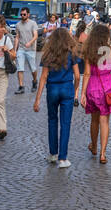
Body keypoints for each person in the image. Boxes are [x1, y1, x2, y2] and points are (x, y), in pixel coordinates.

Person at [33, 26, 82, 167]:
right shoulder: (71, 54)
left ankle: (53, 154)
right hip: (67, 88)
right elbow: (78, 76)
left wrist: (37, 99)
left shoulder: (48, 54)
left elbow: (43, 77)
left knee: (52, 121)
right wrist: (74, 89)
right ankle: (63, 158)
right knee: (65, 124)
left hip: (52, 89)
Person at [80, 24, 111, 164]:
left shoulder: (89, 50)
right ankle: (103, 154)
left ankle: (94, 147)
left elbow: (86, 73)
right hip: (108, 86)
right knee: (105, 121)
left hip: (92, 86)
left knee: (94, 120)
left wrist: (82, 93)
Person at [14, 9, 40, 94]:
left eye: (24, 14)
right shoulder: (18, 25)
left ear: (28, 14)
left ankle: (35, 81)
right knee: (20, 68)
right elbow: (17, 37)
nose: (22, 16)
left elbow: (35, 36)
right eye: (21, 14)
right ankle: (21, 86)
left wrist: (30, 42)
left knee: (33, 68)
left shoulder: (33, 23)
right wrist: (15, 50)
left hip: (31, 49)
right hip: (21, 49)